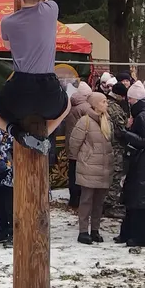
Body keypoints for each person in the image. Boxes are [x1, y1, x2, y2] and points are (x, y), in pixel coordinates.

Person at [0, 0, 72, 154]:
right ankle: (44, 137)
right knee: (67, 107)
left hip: (21, 87)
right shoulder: (51, 10)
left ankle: (18, 134)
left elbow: (7, 45)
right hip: (48, 86)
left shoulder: (8, 22)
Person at [117, 82, 145, 248]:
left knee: (141, 203)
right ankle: (128, 233)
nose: (128, 101)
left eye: (130, 98)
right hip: (144, 163)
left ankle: (140, 237)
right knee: (136, 200)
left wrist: (125, 133)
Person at [71, 92, 113, 245]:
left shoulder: (107, 120)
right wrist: (84, 158)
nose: (106, 104)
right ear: (95, 104)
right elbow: (74, 144)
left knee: (99, 201)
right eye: (103, 102)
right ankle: (83, 231)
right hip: (89, 167)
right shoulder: (85, 121)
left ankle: (95, 230)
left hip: (104, 167)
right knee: (86, 200)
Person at [59, 81, 92, 210]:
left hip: (71, 143)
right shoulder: (85, 107)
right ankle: (78, 200)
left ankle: (73, 199)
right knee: (79, 174)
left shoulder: (72, 105)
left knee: (72, 172)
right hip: (81, 144)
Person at [105, 80, 131, 209]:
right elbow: (122, 129)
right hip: (115, 147)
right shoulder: (115, 108)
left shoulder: (105, 103)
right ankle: (110, 204)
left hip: (106, 146)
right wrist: (129, 124)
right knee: (115, 175)